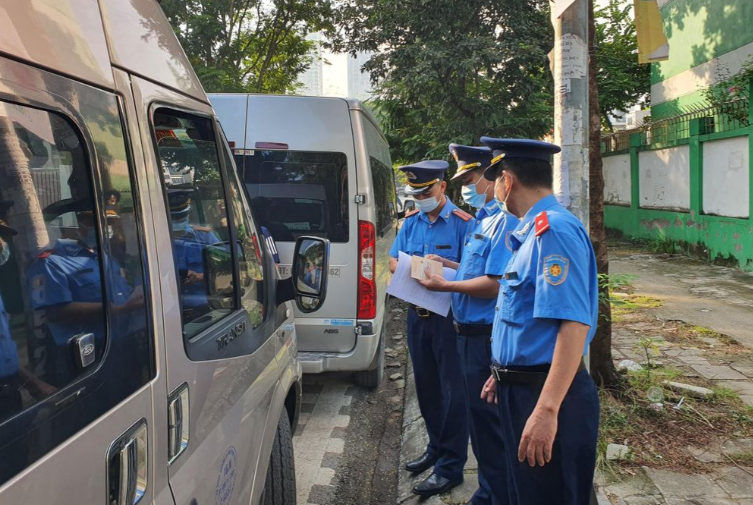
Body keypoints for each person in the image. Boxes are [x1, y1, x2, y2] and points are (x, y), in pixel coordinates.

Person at [478, 138, 600, 505]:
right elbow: (528, 320)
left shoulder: (554, 231)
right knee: (528, 493)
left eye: (494, 180)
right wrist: (503, 370)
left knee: (551, 495)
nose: (493, 189)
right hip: (523, 388)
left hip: (547, 395)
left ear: (508, 181)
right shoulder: (530, 232)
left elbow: (573, 325)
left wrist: (547, 410)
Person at [418, 144, 519, 505]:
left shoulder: (505, 221)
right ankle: (490, 490)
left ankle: (496, 494)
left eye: (471, 179)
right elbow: (474, 270)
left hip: (485, 336)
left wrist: (445, 283)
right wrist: (446, 264)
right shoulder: (484, 219)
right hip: (466, 335)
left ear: (494, 179)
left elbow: (494, 283)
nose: (467, 187)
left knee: (491, 423)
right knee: (479, 420)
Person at [388, 160, 473, 497]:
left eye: (425, 191)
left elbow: (473, 269)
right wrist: (419, 270)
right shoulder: (412, 222)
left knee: (454, 393)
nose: (420, 197)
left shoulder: (464, 224)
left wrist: (443, 272)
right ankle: (436, 448)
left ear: (442, 187)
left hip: (449, 321)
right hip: (418, 317)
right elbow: (395, 260)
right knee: (426, 388)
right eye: (416, 192)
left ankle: (452, 466)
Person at [27, 198, 142, 387]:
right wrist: (116, 309)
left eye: (107, 223)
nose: (105, 228)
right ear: (70, 225)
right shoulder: (50, 263)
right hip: (88, 354)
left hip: (124, 344)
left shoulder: (101, 256)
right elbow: (56, 313)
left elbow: (120, 291)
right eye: (93, 223)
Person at [167, 187, 220, 320]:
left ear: (188, 212)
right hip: (168, 313)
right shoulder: (155, 243)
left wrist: (202, 276)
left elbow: (225, 268)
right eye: (174, 217)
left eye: (180, 216)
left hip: (202, 310)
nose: (178, 220)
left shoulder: (204, 237)